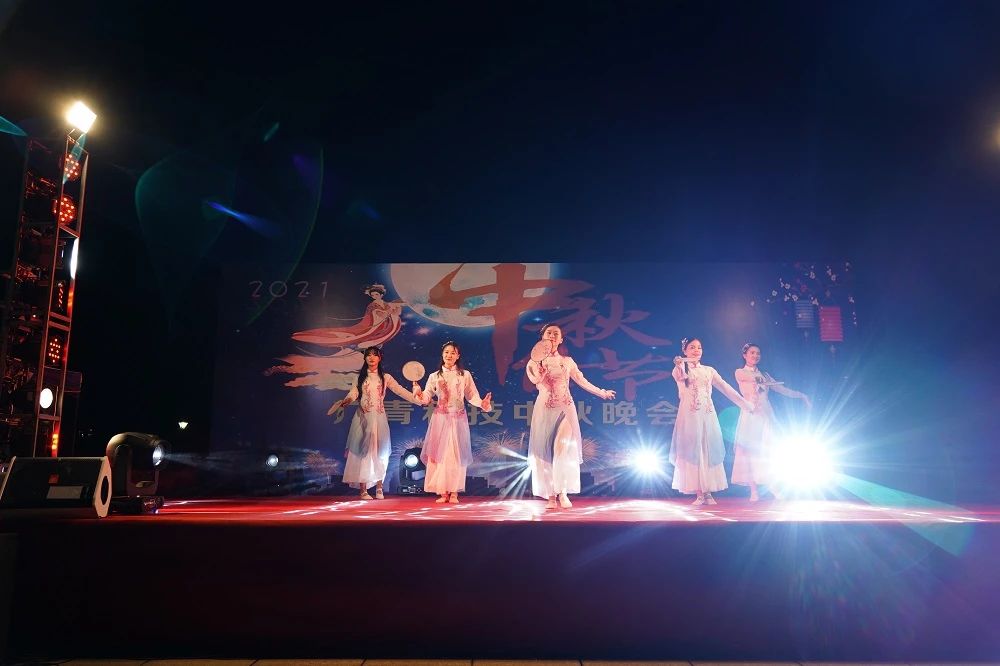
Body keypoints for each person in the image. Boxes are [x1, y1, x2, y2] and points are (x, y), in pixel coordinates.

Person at [526, 324, 616, 509]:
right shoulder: (533, 362)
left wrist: (602, 392)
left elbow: (581, 380)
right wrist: (540, 375)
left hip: (566, 408)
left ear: (561, 340)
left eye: (556, 334)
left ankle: (563, 492)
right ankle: (551, 496)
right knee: (545, 453)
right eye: (548, 333)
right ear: (542, 338)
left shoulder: (567, 361)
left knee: (562, 449)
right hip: (544, 410)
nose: (552, 336)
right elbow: (534, 380)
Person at [327, 346, 420, 499]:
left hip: (379, 419)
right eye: (368, 355)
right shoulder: (360, 377)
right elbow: (354, 392)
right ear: (365, 358)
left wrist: (418, 400)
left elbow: (400, 391)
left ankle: (379, 487)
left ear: (379, 358)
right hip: (362, 418)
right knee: (362, 452)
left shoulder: (386, 377)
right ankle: (363, 489)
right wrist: (347, 400)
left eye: (374, 355)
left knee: (380, 453)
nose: (371, 358)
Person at [669, 337, 753, 506]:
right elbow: (680, 378)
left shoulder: (709, 370)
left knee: (709, 449)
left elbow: (725, 387)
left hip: (708, 414)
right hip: (690, 415)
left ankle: (707, 492)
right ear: (684, 350)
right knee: (694, 451)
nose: (696, 350)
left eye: (699, 347)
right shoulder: (681, 369)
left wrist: (745, 404)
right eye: (692, 347)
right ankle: (699, 493)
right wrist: (679, 364)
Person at [414, 341, 492, 504]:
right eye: (446, 352)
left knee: (455, 455)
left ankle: (454, 491)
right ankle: (443, 492)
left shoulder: (464, 375)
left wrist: (482, 404)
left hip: (457, 420)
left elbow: (472, 395)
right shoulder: (434, 376)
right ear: (442, 354)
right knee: (440, 455)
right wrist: (420, 395)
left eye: (453, 352)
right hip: (440, 419)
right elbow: (427, 396)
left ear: (458, 356)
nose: (449, 355)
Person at [732, 343, 812, 501]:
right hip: (750, 415)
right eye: (752, 352)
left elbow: (782, 389)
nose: (755, 355)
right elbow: (751, 378)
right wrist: (763, 380)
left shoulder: (765, 375)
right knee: (749, 452)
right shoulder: (740, 372)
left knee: (768, 451)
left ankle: (772, 485)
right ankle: (753, 490)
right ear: (745, 355)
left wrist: (802, 395)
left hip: (766, 415)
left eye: (758, 353)